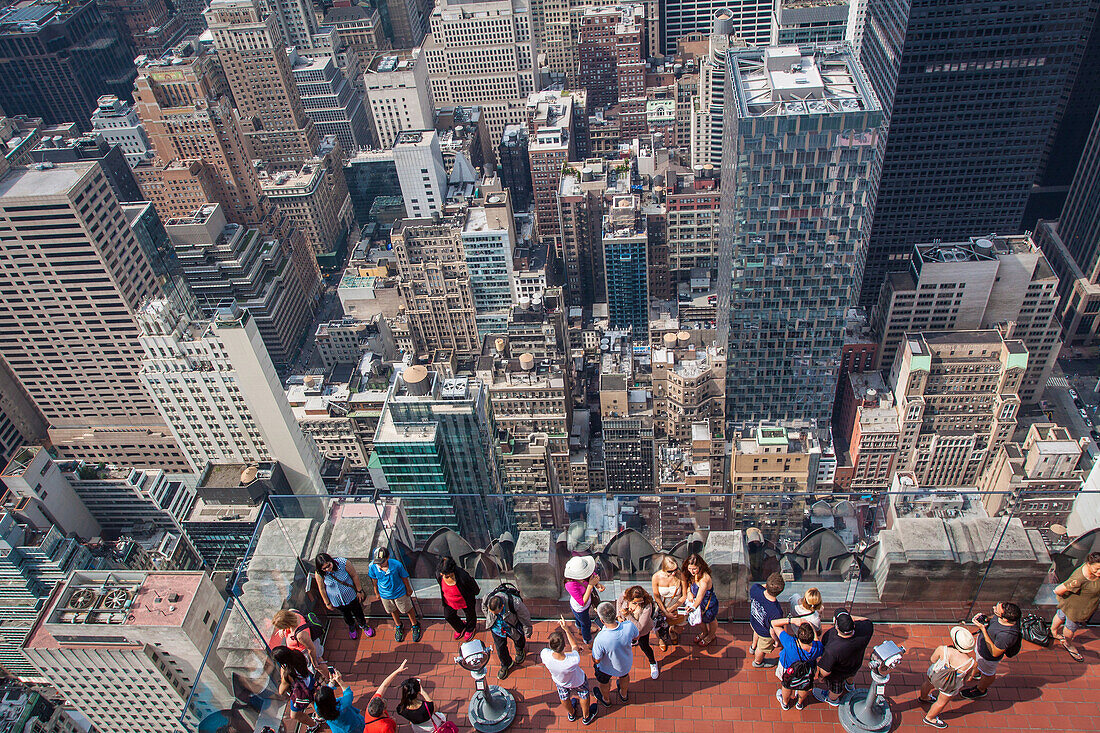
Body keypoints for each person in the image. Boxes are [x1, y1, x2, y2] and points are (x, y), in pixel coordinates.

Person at [918, 626, 976, 729]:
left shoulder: (942, 649)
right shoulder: (971, 663)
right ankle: (930, 718)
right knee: (941, 702)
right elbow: (968, 679)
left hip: (935, 675)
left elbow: (932, 659)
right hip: (950, 685)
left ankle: (923, 697)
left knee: (927, 684)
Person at [959, 601, 1021, 700]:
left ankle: (980, 690)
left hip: (987, 656)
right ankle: (979, 672)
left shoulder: (1006, 635)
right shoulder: (1008, 617)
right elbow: (995, 618)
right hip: (982, 648)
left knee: (988, 674)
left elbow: (995, 653)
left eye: (996, 611)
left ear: (1005, 618)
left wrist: (983, 630)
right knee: (981, 665)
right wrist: (986, 618)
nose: (994, 609)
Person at [541, 619, 597, 725]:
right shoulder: (573, 659)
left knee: (564, 697)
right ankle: (586, 716)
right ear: (563, 646)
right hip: (578, 681)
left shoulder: (545, 655)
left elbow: (573, 648)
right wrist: (566, 629)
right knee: (584, 694)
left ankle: (571, 714)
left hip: (560, 682)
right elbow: (575, 646)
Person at [814, 610, 874, 706]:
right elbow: (866, 620)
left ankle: (832, 699)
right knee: (851, 675)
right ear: (853, 624)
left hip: (837, 674)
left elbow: (826, 670)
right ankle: (850, 686)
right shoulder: (866, 629)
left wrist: (821, 677)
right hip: (855, 664)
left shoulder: (832, 647)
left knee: (836, 689)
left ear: (836, 626)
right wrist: (847, 619)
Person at [1051, 551, 1100, 662]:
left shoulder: (1093, 574)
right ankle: (1068, 644)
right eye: (1097, 569)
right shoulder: (1080, 578)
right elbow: (1058, 590)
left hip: (1070, 603)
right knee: (1070, 627)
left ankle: (1053, 631)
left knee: (1060, 615)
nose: (1099, 572)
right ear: (1088, 564)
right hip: (1076, 609)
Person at [314, 553, 374, 640]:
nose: (328, 569)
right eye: (324, 568)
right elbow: (322, 588)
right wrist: (327, 603)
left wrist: (359, 591)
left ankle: (363, 625)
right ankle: (351, 626)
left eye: (329, 565)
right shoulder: (319, 573)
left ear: (331, 561)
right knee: (346, 615)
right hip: (337, 601)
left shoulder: (342, 563)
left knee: (358, 611)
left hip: (351, 595)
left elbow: (354, 575)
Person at [367, 547, 421, 642]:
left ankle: (415, 624)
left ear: (388, 558)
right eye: (378, 562)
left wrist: (408, 589)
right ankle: (398, 625)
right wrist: (376, 592)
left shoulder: (397, 565)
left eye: (382, 562)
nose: (379, 564)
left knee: (407, 609)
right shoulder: (372, 566)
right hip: (385, 594)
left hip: (399, 592)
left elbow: (404, 577)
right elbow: (374, 580)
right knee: (392, 610)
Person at [591, 601, 638, 707]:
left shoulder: (600, 638)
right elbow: (636, 637)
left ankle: (606, 699)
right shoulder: (629, 626)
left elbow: (597, 659)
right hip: (624, 664)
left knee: (604, 682)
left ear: (602, 620)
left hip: (605, 668)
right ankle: (624, 694)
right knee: (624, 677)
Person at [769, 616, 823, 711]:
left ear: (798, 636)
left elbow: (773, 623)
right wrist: (811, 626)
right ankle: (799, 703)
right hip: (807, 670)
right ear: (811, 638)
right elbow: (817, 640)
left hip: (788, 669)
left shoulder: (790, 643)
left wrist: (791, 620)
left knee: (787, 686)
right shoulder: (818, 648)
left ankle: (785, 703)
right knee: (804, 687)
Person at [482, 584, 533, 680]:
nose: (494, 614)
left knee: (519, 639)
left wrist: (527, 631)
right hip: (497, 630)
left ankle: (519, 650)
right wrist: (490, 619)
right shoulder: (487, 598)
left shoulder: (514, 602)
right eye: (492, 613)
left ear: (502, 606)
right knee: (500, 648)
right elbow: (484, 607)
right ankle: (506, 664)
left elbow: (525, 617)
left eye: (496, 613)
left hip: (512, 627)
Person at [617, 585, 666, 679]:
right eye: (635, 602)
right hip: (626, 627)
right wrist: (619, 615)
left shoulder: (647, 606)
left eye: (640, 601)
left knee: (644, 646)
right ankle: (633, 642)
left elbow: (639, 627)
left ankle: (653, 662)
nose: (638, 604)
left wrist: (627, 615)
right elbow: (619, 602)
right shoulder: (624, 595)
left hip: (642, 631)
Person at [273, 645, 321, 732]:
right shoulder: (297, 654)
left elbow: (281, 691)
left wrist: (282, 673)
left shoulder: (288, 673)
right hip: (309, 681)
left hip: (301, 692)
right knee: (313, 700)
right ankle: (320, 715)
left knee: (295, 715)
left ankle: (313, 725)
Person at [272, 609, 328, 681]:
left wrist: (314, 661)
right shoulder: (292, 611)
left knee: (318, 663)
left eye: (282, 626)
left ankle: (328, 677)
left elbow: (311, 648)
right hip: (302, 648)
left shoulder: (300, 635)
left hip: (306, 650)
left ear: (287, 624)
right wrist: (282, 630)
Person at [436, 557, 480, 642]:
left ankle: (470, 628)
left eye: (447, 574)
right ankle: (460, 627)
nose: (443, 575)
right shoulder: (439, 574)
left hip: (465, 600)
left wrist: (475, 593)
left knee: (470, 615)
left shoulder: (462, 576)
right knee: (448, 616)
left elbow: (473, 585)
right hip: (449, 601)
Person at [564, 555, 604, 645]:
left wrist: (597, 585)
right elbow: (582, 602)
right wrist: (590, 585)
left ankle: (579, 628)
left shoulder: (586, 572)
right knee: (586, 624)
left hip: (587, 602)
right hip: (580, 608)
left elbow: (592, 576)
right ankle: (587, 640)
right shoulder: (570, 585)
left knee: (580, 620)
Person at [749, 572, 786, 667]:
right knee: (761, 649)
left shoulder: (755, 589)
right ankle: (758, 662)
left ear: (766, 584)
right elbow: (773, 630)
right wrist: (776, 641)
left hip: (755, 622)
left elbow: (759, 586)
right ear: (780, 591)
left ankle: (753, 647)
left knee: (756, 633)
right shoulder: (776, 611)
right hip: (765, 633)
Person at [363, 659, 409, 733]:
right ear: (383, 710)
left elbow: (384, 685)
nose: (383, 699)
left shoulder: (371, 707)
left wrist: (397, 671)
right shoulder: (385, 726)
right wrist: (395, 725)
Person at [683, 553, 719, 647]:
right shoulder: (693, 574)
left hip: (708, 604)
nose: (691, 571)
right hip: (698, 603)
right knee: (700, 620)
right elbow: (689, 583)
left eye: (694, 569)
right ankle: (704, 633)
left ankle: (711, 635)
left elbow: (700, 596)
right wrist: (689, 592)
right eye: (690, 568)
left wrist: (693, 607)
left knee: (711, 619)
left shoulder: (704, 579)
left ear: (700, 566)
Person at [651, 554, 686, 648]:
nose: (674, 573)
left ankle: (672, 630)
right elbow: (656, 596)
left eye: (675, 569)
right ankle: (661, 640)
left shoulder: (680, 575)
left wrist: (671, 609)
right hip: (662, 605)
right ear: (664, 568)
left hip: (676, 605)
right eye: (670, 571)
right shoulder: (656, 577)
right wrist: (665, 611)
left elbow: (684, 595)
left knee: (680, 628)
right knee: (659, 626)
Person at [313, 668, 365, 733]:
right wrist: (339, 680)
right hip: (355, 726)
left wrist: (331, 683)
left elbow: (324, 698)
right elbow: (348, 692)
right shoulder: (343, 705)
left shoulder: (318, 707)